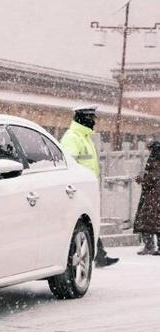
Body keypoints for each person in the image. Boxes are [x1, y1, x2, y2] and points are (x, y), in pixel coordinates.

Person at [59, 105, 119, 268]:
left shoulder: (84, 137)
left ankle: (99, 255)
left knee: (89, 222)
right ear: (83, 118)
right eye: (91, 118)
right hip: (78, 190)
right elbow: (69, 165)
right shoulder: (73, 137)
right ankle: (94, 256)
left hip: (87, 189)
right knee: (83, 223)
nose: (94, 122)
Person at [134, 140, 160, 255]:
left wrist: (141, 179)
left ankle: (149, 245)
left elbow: (152, 178)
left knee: (146, 221)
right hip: (154, 195)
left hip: (152, 196)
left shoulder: (155, 161)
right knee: (156, 223)